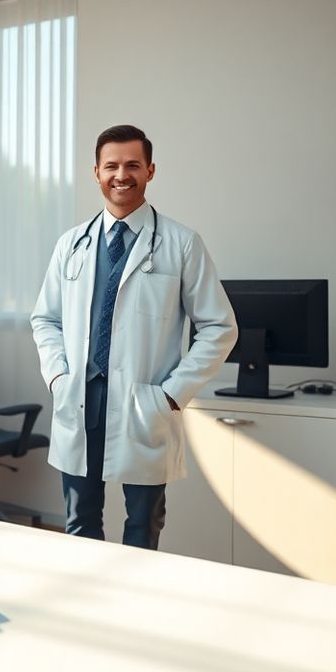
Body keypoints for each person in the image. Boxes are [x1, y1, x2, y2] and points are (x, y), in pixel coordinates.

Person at [30, 125, 237, 549]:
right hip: (81, 400)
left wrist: (173, 394)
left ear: (150, 171)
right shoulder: (72, 244)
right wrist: (58, 377)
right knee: (79, 525)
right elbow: (45, 319)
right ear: (96, 172)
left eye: (132, 165)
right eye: (111, 166)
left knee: (143, 529)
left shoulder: (181, 244)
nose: (121, 175)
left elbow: (219, 326)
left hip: (143, 406)